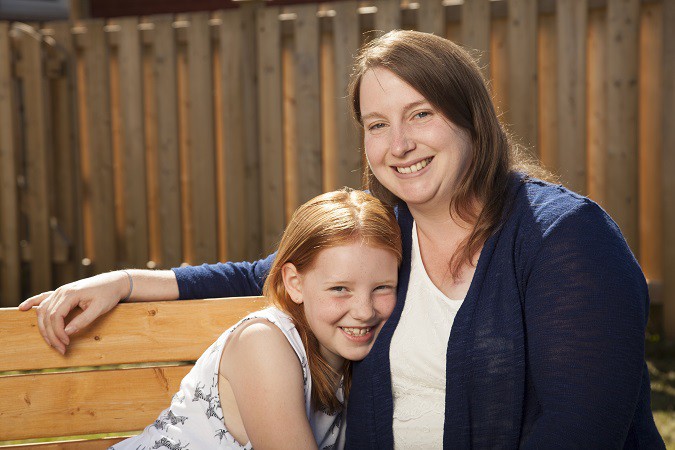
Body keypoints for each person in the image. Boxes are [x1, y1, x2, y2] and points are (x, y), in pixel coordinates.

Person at [21, 30, 663, 448]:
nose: (398, 144)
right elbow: (271, 272)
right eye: (377, 124)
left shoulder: (564, 239)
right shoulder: (389, 230)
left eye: (421, 115)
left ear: (473, 119)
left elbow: (580, 432)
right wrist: (125, 281)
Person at [108, 188, 401, 449]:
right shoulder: (263, 342)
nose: (364, 311)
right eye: (340, 289)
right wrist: (126, 282)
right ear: (294, 283)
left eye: (382, 288)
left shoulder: (351, 362)